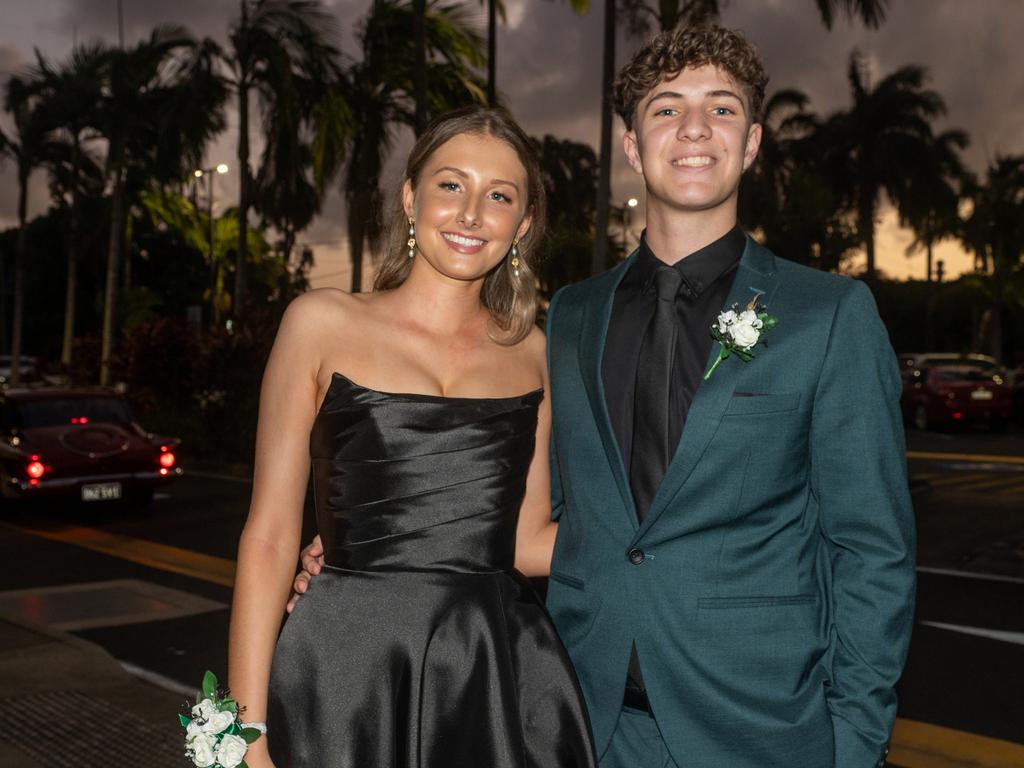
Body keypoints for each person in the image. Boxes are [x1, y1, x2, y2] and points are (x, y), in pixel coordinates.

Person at [295, 25, 916, 768]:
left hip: (766, 730)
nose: (693, 128)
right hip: (585, 725)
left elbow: (872, 551)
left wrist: (853, 745)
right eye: (665, 109)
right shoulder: (569, 322)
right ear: (631, 145)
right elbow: (520, 510)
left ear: (750, 143)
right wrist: (372, 542)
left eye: (720, 109)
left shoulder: (831, 314)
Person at [229, 106, 596, 768]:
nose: (470, 212)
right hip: (344, 667)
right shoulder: (319, 323)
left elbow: (526, 540)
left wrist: (665, 536)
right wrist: (244, 737)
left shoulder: (535, 353)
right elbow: (270, 536)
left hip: (489, 673)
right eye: (451, 185)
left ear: (524, 224)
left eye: (500, 196)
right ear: (410, 196)